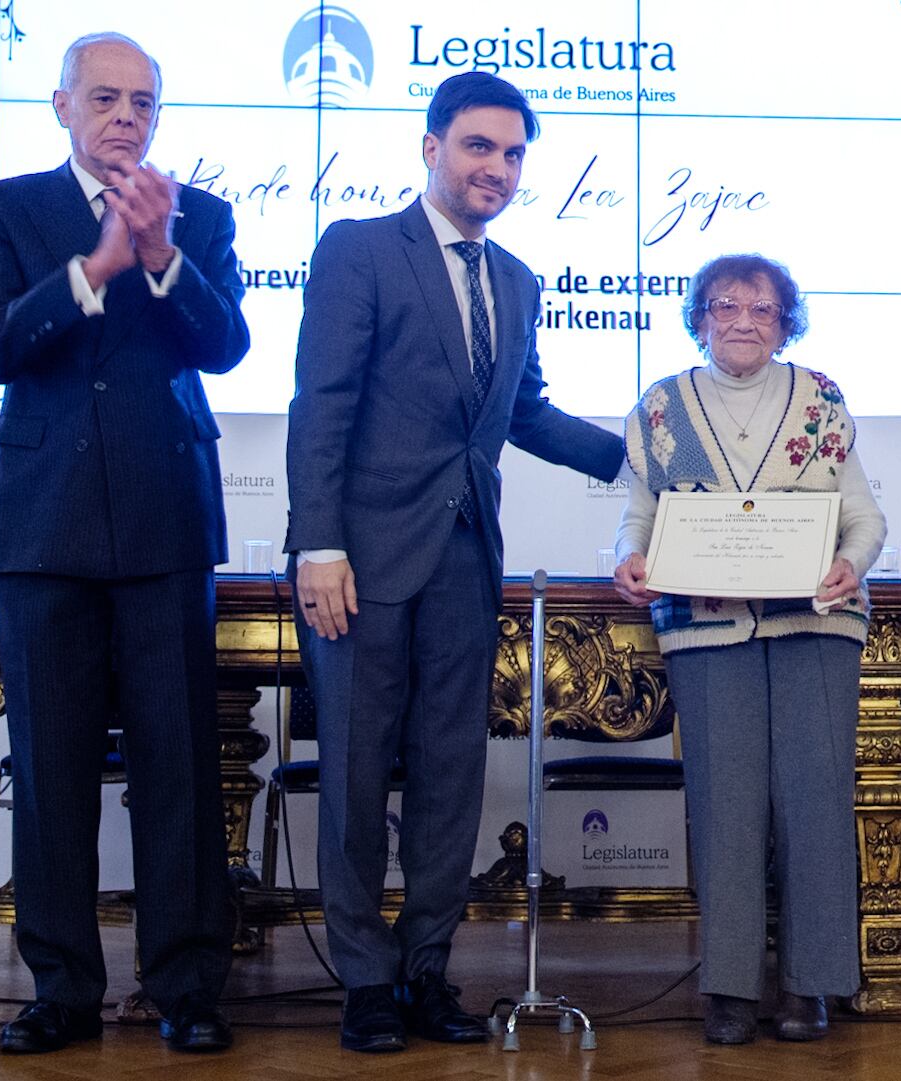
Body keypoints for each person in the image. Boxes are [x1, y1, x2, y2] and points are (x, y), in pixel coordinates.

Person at [283, 71, 625, 1054]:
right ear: (430, 147)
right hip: (361, 562)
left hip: (466, 564)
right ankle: (363, 983)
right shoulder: (358, 250)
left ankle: (425, 971)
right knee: (354, 774)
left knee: (449, 776)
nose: (498, 170)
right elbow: (323, 406)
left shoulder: (516, 281)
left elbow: (524, 415)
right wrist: (320, 542)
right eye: (479, 147)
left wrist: (647, 447)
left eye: (514, 154)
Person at [0, 31, 248, 1056]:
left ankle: (186, 986)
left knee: (180, 764)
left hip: (167, 520)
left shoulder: (198, 215)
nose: (127, 117)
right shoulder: (4, 210)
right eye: (107, 99)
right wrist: (94, 269)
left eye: (144, 103)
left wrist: (161, 256)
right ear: (63, 105)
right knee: (51, 769)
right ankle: (62, 990)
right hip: (43, 526)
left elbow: (225, 346)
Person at [612, 254, 885, 1045]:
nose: (742, 320)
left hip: (817, 622)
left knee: (815, 802)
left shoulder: (821, 398)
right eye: (726, 305)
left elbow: (863, 517)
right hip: (706, 625)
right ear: (700, 317)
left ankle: (811, 986)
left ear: (784, 321)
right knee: (726, 804)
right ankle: (729, 987)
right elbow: (639, 515)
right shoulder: (662, 406)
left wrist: (850, 564)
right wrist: (626, 560)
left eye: (762, 309)